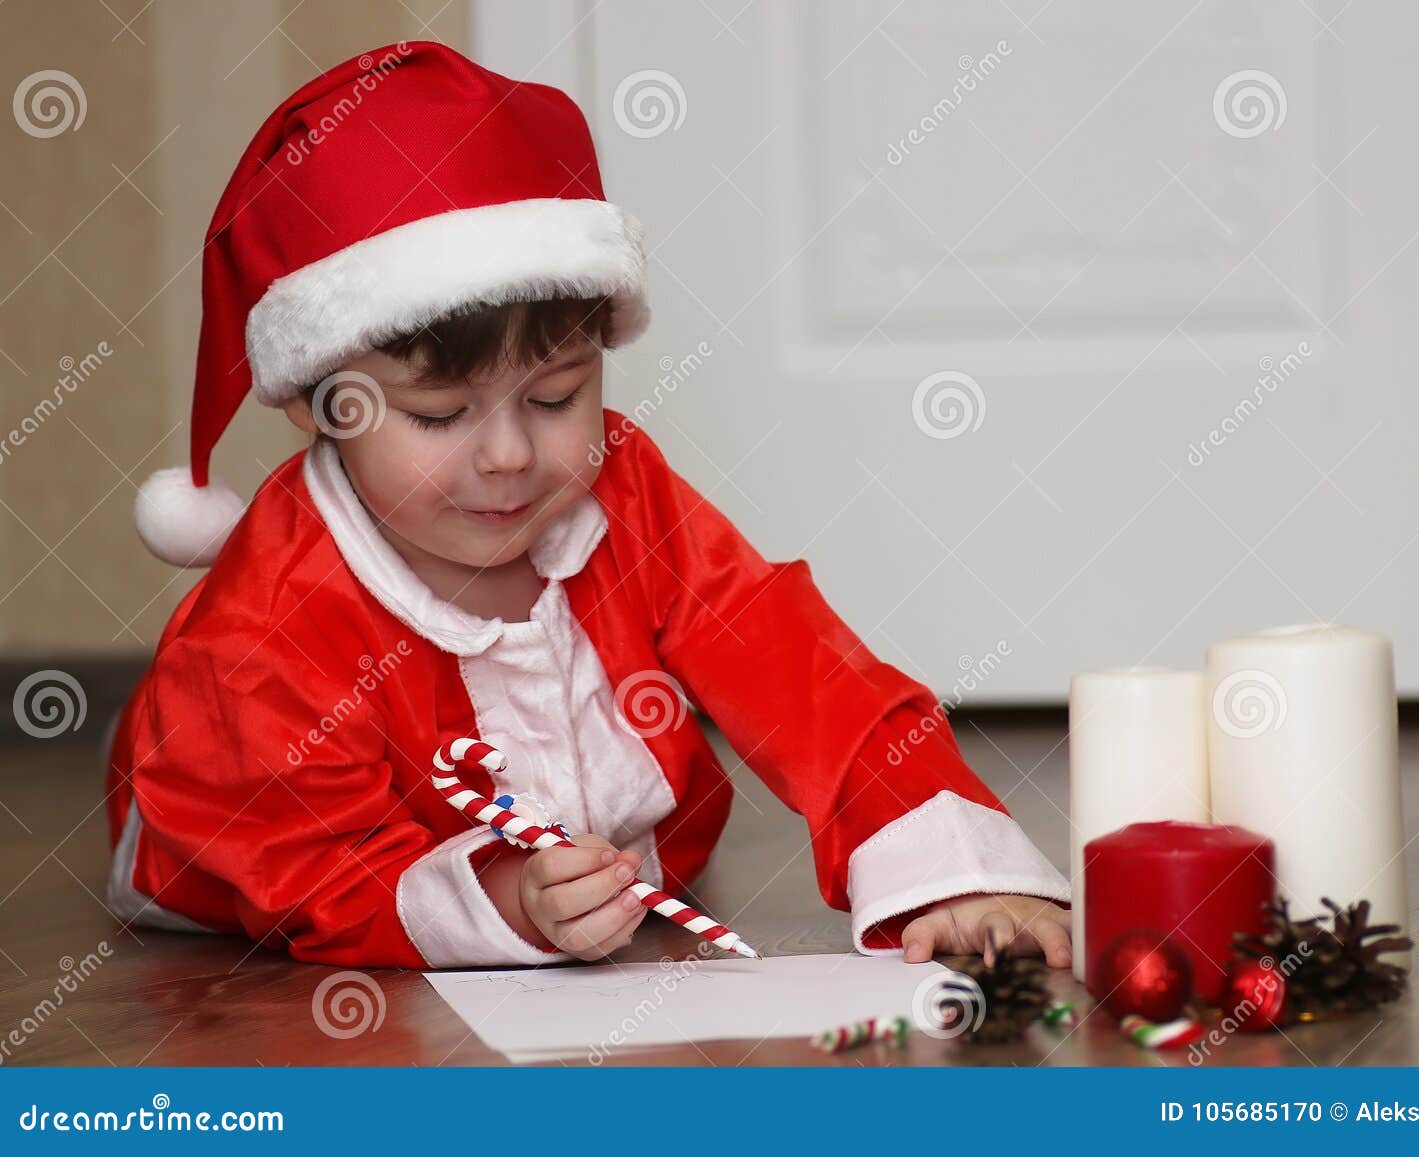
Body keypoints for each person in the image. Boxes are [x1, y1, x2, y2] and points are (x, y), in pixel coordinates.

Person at [106, 40, 1072, 969]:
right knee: (215, 759)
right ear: (312, 401)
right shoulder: (267, 633)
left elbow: (792, 659)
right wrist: (499, 899)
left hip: (599, 878)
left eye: (556, 396)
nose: (512, 455)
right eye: (439, 415)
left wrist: (949, 866)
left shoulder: (620, 484)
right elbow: (303, 867)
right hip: (264, 835)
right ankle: (141, 735)